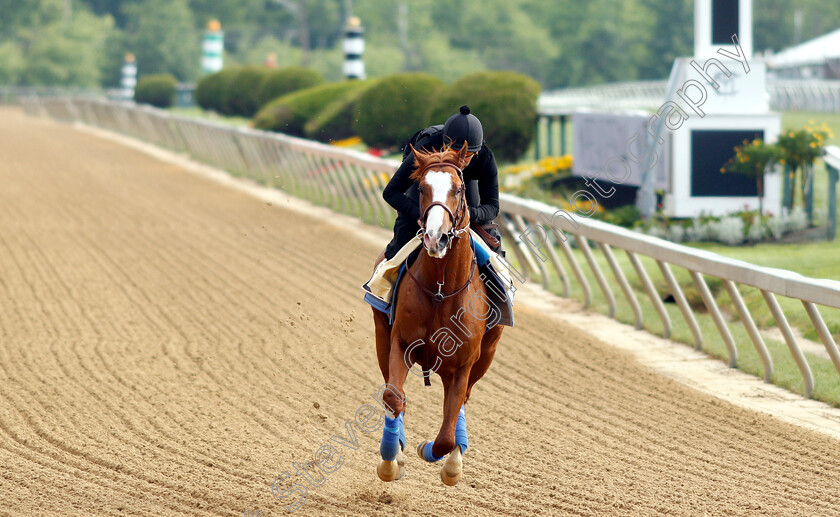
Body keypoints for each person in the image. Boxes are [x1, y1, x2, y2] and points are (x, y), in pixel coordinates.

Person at [377, 105, 503, 265]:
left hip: (461, 188)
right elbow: (391, 192)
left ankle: (502, 286)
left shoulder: (485, 158)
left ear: (476, 152)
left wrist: (466, 214)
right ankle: (377, 287)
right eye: (452, 151)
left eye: (467, 154)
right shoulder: (427, 145)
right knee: (396, 251)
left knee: (496, 257)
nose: (459, 159)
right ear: (443, 145)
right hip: (427, 185)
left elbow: (492, 207)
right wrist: (419, 215)